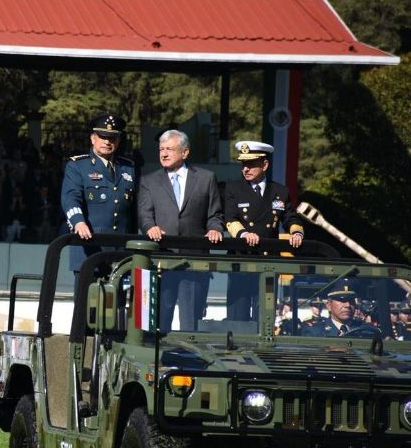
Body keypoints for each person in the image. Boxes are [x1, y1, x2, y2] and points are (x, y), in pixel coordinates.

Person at [138, 129, 223, 331]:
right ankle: (161, 361)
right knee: (159, 319)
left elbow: (215, 214)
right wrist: (150, 227)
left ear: (185, 152)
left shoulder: (206, 178)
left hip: (194, 261)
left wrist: (214, 229)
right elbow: (144, 214)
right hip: (161, 260)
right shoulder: (149, 180)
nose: (164, 154)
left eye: (169, 149)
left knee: (191, 320)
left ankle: (190, 361)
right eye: (161, 149)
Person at [223, 141, 305, 321]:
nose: (246, 169)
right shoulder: (233, 189)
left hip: (268, 262)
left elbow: (290, 217)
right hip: (242, 260)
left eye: (251, 164)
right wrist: (244, 234)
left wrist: (296, 233)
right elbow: (229, 219)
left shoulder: (280, 191)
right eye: (244, 164)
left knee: (264, 317)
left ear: (265, 164)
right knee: (238, 318)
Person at [60, 113, 136, 281]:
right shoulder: (78, 165)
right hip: (90, 246)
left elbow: (133, 209)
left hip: (120, 250)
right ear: (93, 138)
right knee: (85, 304)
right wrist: (78, 221)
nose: (108, 142)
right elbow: (70, 198)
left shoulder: (128, 167)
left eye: (113, 138)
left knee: (119, 304)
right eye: (103, 137)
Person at [303, 283, 376, 337]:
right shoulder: (315, 332)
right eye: (342, 300)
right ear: (329, 305)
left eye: (351, 300)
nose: (347, 305)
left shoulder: (366, 330)